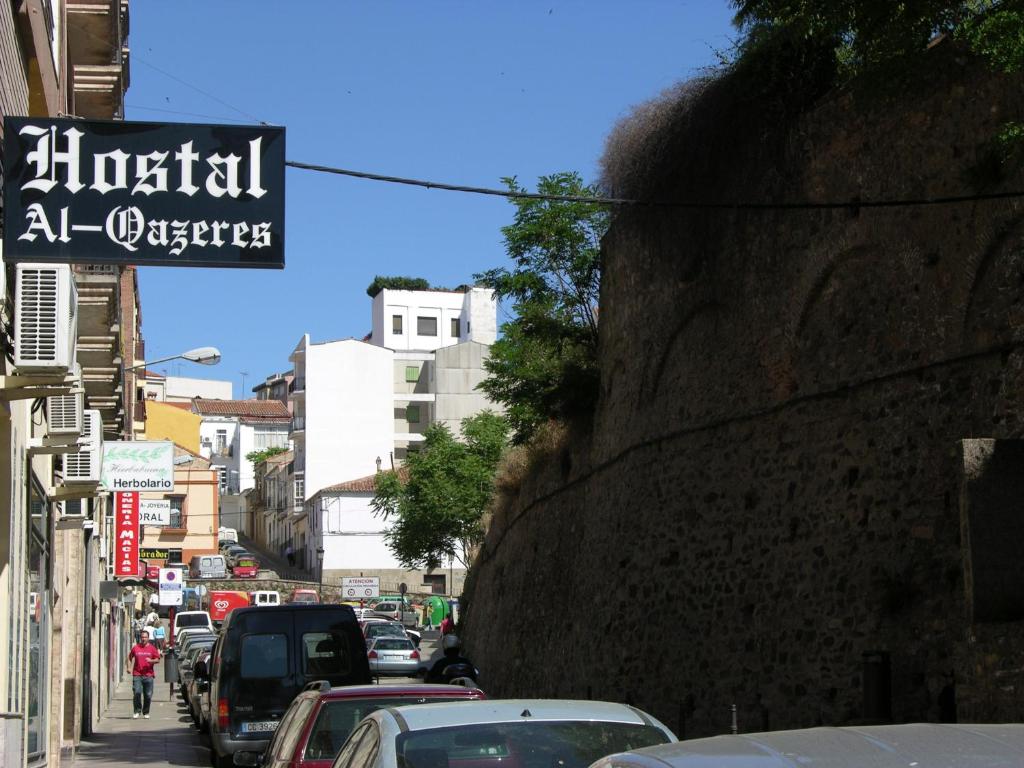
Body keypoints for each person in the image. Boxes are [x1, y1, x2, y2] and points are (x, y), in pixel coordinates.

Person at [127, 629, 161, 718]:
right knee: (137, 692)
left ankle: (146, 712)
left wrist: (151, 660)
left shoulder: (152, 648)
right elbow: (129, 657)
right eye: (142, 637)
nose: (143, 639)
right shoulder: (136, 648)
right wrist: (129, 667)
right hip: (137, 674)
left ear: (148, 638)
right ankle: (137, 711)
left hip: (148, 675)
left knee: (148, 695)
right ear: (140, 638)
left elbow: (158, 659)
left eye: (145, 637)